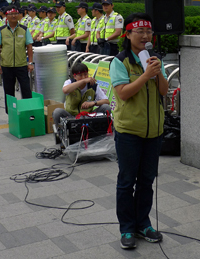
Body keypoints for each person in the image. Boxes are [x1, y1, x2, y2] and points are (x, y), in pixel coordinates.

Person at [109, 13, 168, 250]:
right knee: (126, 181)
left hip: (154, 131)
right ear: (128, 34)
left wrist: (157, 71)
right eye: (140, 32)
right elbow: (123, 93)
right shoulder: (119, 61)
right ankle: (126, 228)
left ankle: (143, 224)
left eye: (149, 32)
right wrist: (145, 76)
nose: (145, 36)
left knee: (147, 181)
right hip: (129, 132)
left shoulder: (155, 59)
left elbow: (163, 91)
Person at [0, 5, 33, 113]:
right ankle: (11, 114)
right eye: (11, 14)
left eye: (16, 13)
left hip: (21, 65)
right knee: (9, 92)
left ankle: (28, 112)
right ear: (6, 16)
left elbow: (29, 47)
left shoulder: (24, 30)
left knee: (26, 90)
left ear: (19, 15)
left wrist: (30, 62)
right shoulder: (1, 31)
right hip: (7, 66)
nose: (14, 16)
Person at [52, 62, 111, 127]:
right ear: (74, 76)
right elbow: (65, 90)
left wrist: (93, 102)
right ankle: (60, 133)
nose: (84, 77)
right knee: (57, 112)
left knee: (106, 107)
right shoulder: (69, 82)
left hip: (88, 115)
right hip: (71, 116)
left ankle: (103, 131)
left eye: (85, 74)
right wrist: (83, 81)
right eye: (80, 75)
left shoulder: (93, 86)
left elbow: (106, 101)